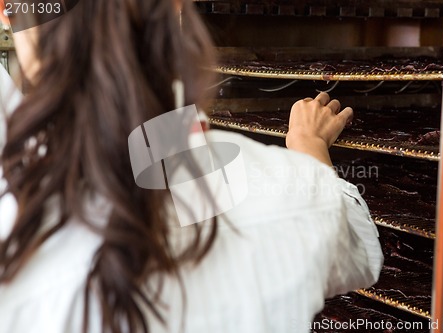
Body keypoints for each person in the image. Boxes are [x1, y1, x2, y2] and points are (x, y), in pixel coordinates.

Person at [0, 1, 383, 333]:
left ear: (9, 15)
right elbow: (360, 249)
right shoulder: (285, 196)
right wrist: (308, 145)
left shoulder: (15, 228)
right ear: (177, 6)